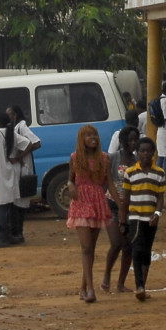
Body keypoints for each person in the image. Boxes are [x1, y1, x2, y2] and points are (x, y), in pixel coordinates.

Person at [66, 124, 116, 302]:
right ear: (81, 139)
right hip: (81, 203)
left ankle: (83, 287)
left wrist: (120, 202)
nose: (92, 138)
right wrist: (71, 186)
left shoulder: (104, 158)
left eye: (94, 134)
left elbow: (109, 183)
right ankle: (91, 290)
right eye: (88, 135)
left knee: (91, 249)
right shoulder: (75, 158)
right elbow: (70, 180)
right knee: (86, 247)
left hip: (97, 204)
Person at [120, 138, 166, 300]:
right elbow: (126, 198)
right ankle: (139, 285)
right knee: (137, 249)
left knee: (146, 250)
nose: (146, 154)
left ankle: (142, 286)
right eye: (142, 151)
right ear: (137, 153)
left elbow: (160, 197)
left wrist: (157, 214)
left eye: (149, 151)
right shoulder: (130, 173)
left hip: (151, 218)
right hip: (135, 217)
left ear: (154, 153)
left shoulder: (159, 173)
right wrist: (123, 220)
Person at [0, 112, 38, 248]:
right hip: (12, 172)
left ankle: (2, 238)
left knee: (1, 206)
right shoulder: (12, 134)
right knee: (10, 205)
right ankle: (12, 235)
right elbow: (28, 144)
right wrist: (18, 157)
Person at [102, 125, 140, 292]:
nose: (133, 143)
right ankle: (107, 275)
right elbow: (107, 183)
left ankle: (121, 283)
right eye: (130, 140)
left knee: (128, 246)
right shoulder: (113, 158)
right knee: (116, 242)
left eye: (135, 139)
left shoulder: (138, 161)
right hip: (112, 204)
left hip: (131, 207)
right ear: (123, 141)